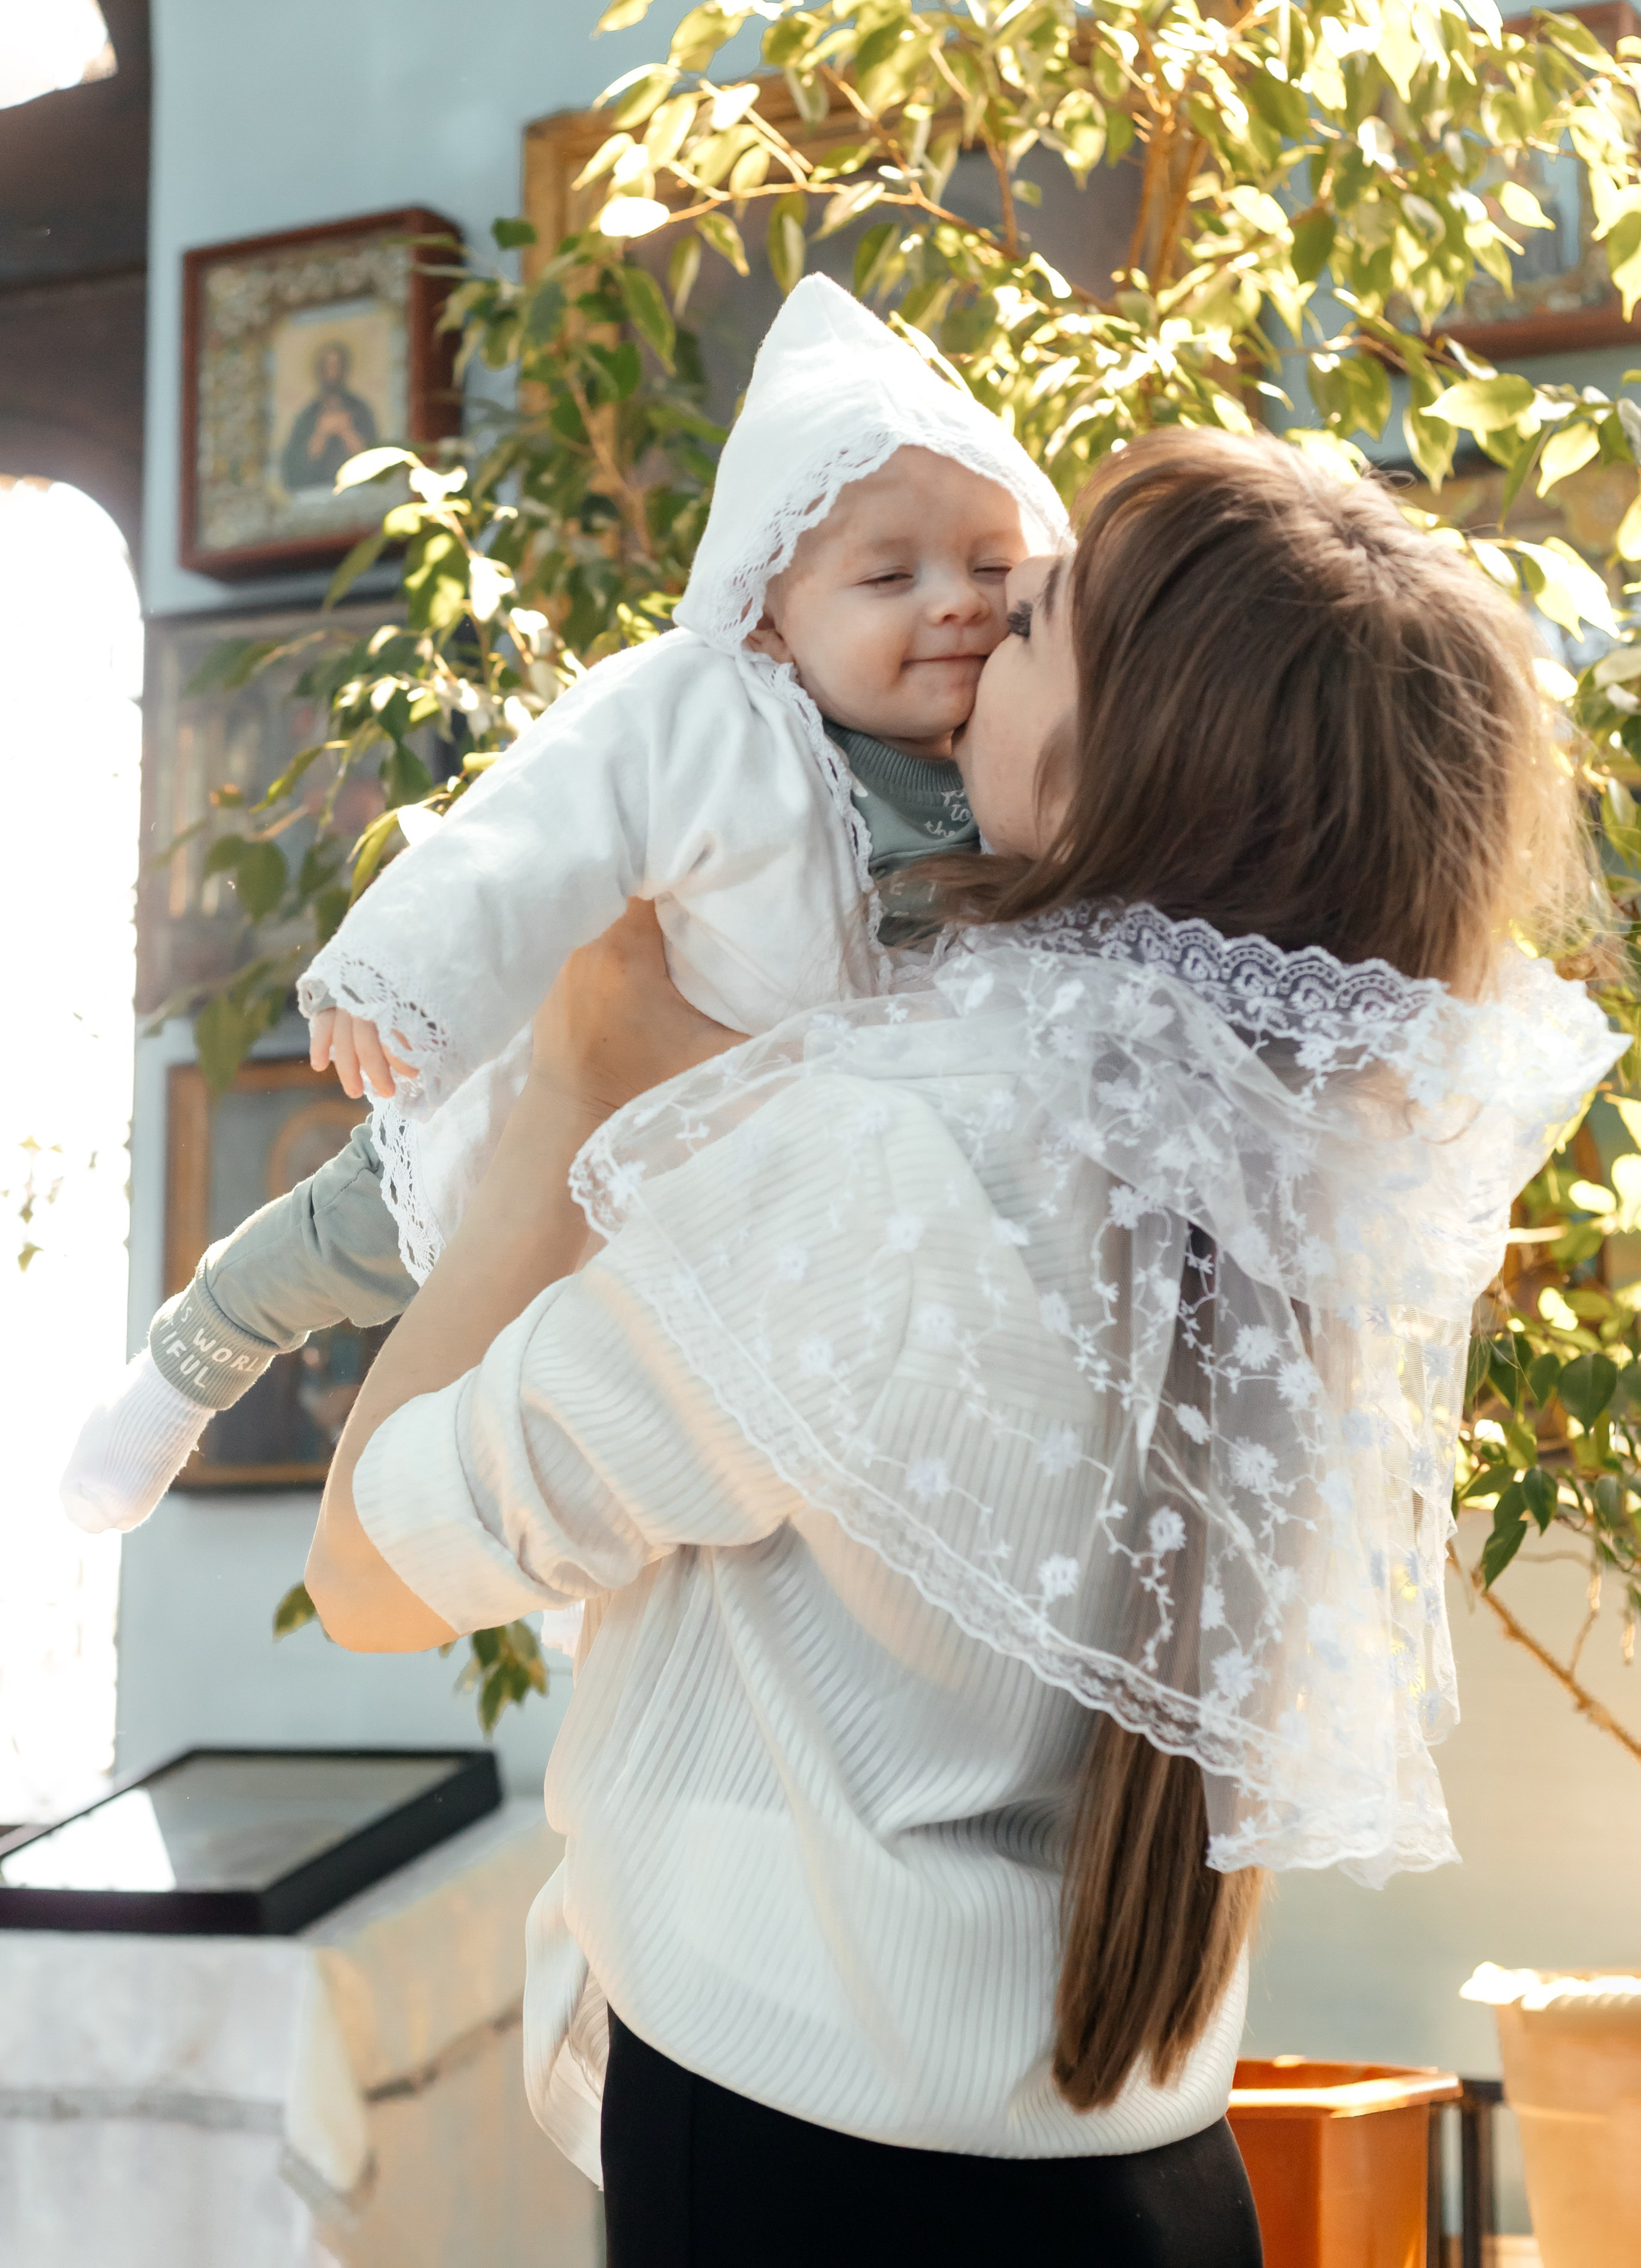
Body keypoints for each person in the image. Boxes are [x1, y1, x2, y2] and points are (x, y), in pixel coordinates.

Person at [304, 430, 1620, 2265]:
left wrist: (570, 1088)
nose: (977, 628)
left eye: (1037, 619)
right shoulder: (1313, 1188)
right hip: (1164, 2177)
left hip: (816, 2175)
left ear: (1103, 768)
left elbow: (371, 1564)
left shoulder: (888, 1151)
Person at [60, 277, 1067, 1535]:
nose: (956, 602)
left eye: (987, 565)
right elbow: (533, 825)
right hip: (565, 1095)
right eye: (889, 578)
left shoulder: (1013, 759)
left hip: (745, 1188)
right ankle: (189, 1357)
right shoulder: (707, 714)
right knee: (346, 1235)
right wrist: (398, 976)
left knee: (598, 1398)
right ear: (766, 616)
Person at [279, 339, 379, 494]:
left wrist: (346, 431)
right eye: (326, 366)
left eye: (336, 366)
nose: (332, 372)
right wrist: (321, 433)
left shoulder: (360, 410)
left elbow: (377, 461)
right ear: (319, 371)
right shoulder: (308, 415)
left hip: (357, 495)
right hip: (314, 496)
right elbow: (293, 470)